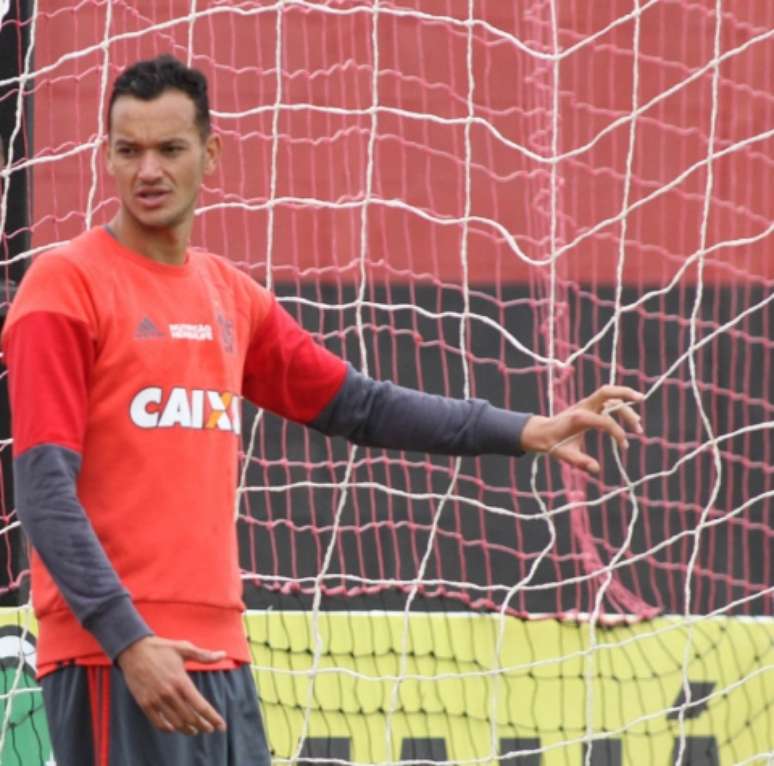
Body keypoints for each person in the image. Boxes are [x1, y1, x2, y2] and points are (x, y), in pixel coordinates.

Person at [1, 55, 644, 766]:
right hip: (113, 660)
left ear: (210, 155)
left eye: (169, 149)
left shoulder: (231, 296)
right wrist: (128, 642)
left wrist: (526, 429)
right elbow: (44, 491)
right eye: (129, 151)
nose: (148, 170)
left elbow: (361, 407)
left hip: (222, 660)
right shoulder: (63, 286)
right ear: (106, 156)